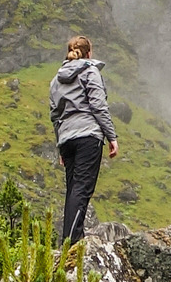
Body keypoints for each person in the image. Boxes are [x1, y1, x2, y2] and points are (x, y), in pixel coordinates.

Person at [49, 34, 119, 244]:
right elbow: (98, 106)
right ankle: (74, 240)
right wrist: (111, 136)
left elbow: (55, 115)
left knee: (72, 188)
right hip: (88, 135)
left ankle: (67, 239)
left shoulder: (55, 80)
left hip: (66, 138)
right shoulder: (90, 72)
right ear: (89, 53)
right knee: (83, 188)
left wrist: (61, 146)